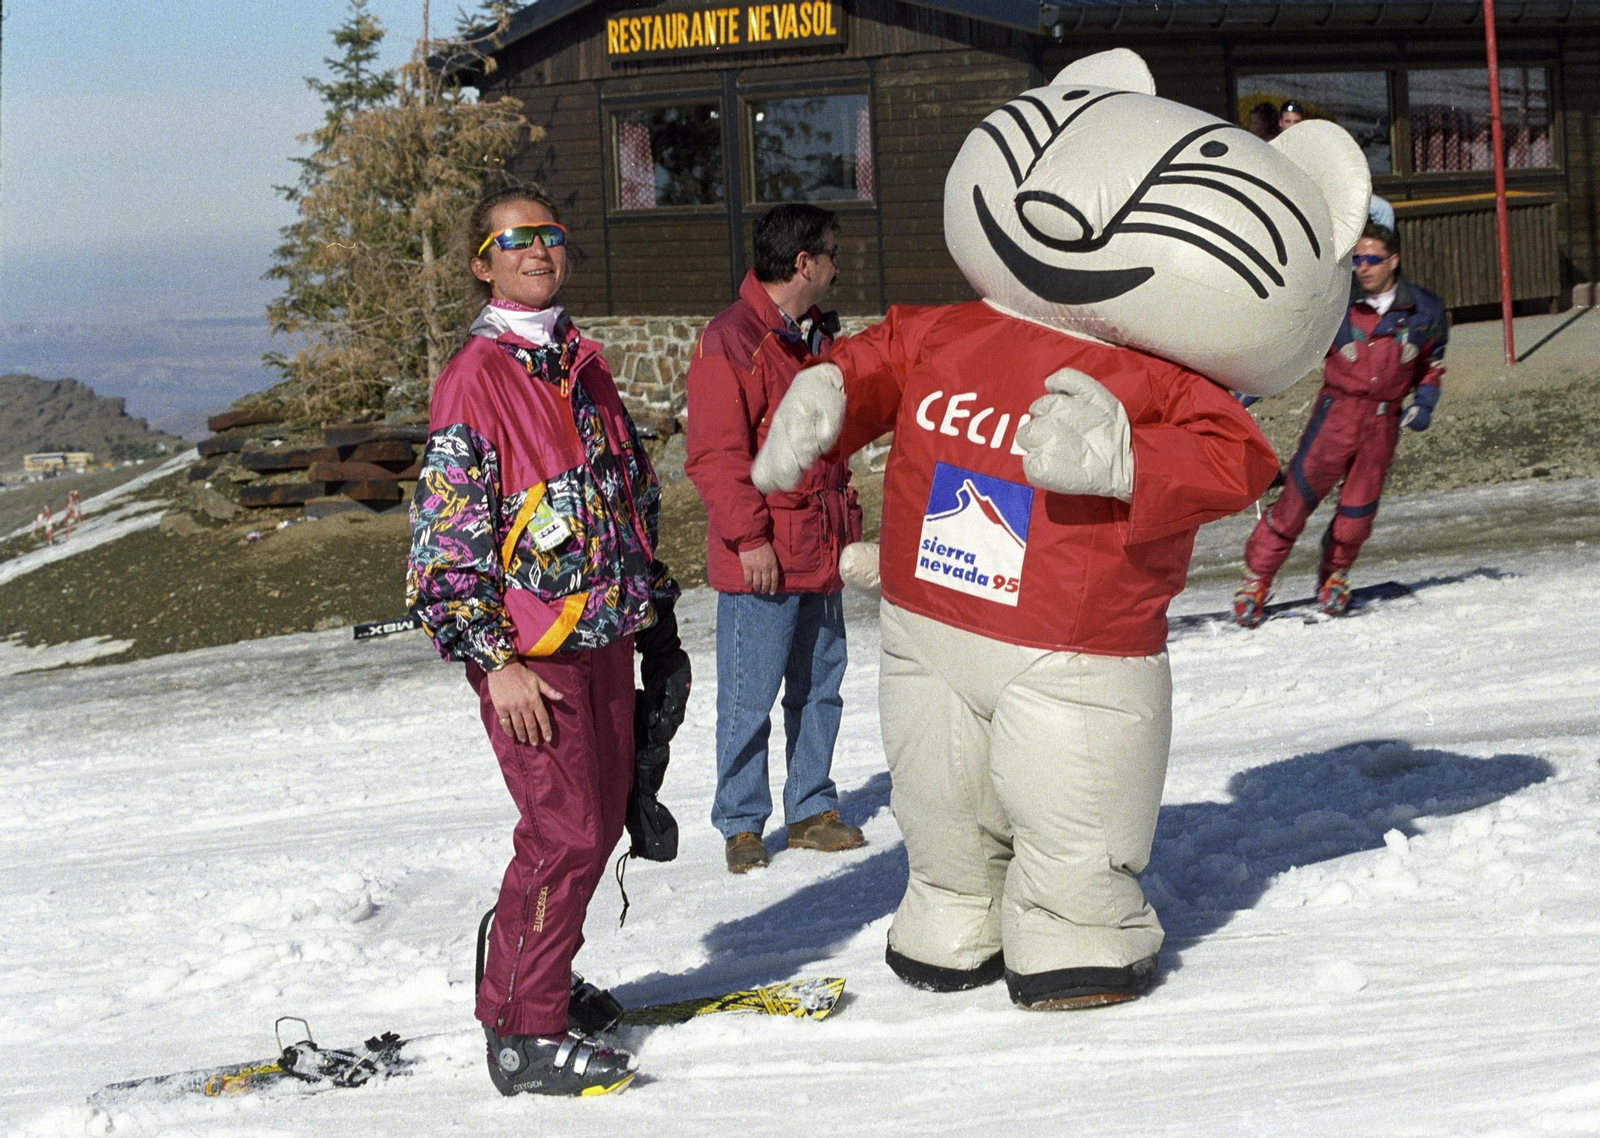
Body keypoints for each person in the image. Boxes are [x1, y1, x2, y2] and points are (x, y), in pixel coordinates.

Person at [407, 184, 687, 1096]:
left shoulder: (580, 361)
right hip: (531, 656)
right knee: (564, 834)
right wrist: (495, 664)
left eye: (550, 235)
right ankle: (523, 1034)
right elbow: (448, 543)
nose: (538, 249)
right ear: (483, 263)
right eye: (515, 239)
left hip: (601, 633)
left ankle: (538, 980)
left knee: (601, 821)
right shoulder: (477, 378)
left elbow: (628, 492)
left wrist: (652, 607)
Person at [684, 203, 864, 875]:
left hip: (821, 545)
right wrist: (749, 539)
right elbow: (714, 456)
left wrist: (847, 511)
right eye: (832, 256)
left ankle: (812, 808)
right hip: (763, 556)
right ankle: (742, 821)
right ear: (803, 264)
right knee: (749, 694)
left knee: (820, 686)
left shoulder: (817, 337)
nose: (837, 269)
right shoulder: (729, 340)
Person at [1234, 222, 1447, 625]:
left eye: (1371, 260)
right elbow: (1294, 355)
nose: (1362, 268)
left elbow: (1432, 364)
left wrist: (1423, 403)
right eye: (1356, 260)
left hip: (1382, 424)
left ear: (1394, 261)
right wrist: (1247, 395)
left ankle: (1334, 576)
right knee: (1295, 502)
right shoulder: (1337, 304)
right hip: (1336, 417)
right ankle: (1255, 580)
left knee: (1357, 513)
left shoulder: (1425, 309)